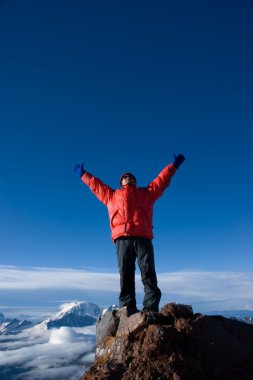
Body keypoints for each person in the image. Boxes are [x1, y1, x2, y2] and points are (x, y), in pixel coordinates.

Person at [74, 154, 185, 316]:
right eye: (124, 177)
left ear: (135, 181)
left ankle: (151, 306)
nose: (127, 178)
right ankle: (127, 306)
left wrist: (173, 166)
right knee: (125, 273)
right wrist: (84, 175)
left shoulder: (147, 193)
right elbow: (96, 186)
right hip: (122, 238)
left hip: (143, 237)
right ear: (121, 182)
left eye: (130, 177)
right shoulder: (111, 195)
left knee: (148, 271)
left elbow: (161, 181)